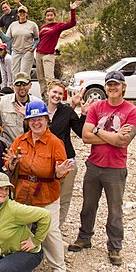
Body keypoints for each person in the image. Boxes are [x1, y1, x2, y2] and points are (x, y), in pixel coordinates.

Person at [68, 71, 136, 266]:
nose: (112, 88)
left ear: (123, 87)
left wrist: (98, 130)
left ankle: (115, 246)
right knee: (88, 205)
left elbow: (123, 142)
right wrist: (113, 135)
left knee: (115, 209)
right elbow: (85, 137)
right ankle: (84, 237)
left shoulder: (132, 111)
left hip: (115, 168)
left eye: (116, 84)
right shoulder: (96, 107)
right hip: (93, 165)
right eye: (109, 84)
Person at [4, 100, 74, 272]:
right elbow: (9, 163)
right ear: (27, 121)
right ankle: (24, 264)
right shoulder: (20, 140)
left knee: (51, 232)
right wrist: (11, 164)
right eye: (32, 119)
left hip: (46, 195)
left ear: (46, 119)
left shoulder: (55, 143)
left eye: (39, 119)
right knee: (22, 231)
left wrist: (60, 172)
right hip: (23, 194)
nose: (36, 122)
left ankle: (59, 268)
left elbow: (61, 169)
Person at [46, 82, 93, 228]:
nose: (57, 96)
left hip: (67, 159)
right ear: (48, 92)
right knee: (46, 197)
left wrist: (84, 114)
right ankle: (44, 228)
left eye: (60, 93)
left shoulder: (66, 111)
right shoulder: (39, 109)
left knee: (64, 198)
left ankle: (56, 229)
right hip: (46, 161)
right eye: (54, 92)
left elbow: (80, 131)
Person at [36, 1, 81, 97]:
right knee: (40, 78)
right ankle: (44, 97)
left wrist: (72, 10)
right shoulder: (43, 27)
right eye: (47, 15)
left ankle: (51, 97)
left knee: (49, 78)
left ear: (54, 16)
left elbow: (72, 23)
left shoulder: (58, 26)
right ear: (45, 17)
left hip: (48, 54)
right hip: (39, 53)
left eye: (51, 15)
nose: (49, 17)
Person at [0, 72, 41, 144]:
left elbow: (43, 128)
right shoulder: (2, 101)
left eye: (24, 84)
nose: (21, 87)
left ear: (30, 85)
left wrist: (29, 116)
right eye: (18, 84)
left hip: (32, 146)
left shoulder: (38, 103)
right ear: (13, 86)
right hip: (9, 146)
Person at [0, 5, 40, 78]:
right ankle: (16, 89)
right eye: (20, 12)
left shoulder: (32, 25)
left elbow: (37, 39)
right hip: (15, 51)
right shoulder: (13, 25)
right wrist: (0, 32)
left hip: (27, 51)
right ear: (18, 14)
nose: (22, 14)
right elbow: (7, 39)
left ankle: (25, 88)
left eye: (24, 12)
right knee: (15, 74)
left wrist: (33, 47)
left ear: (26, 13)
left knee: (24, 73)